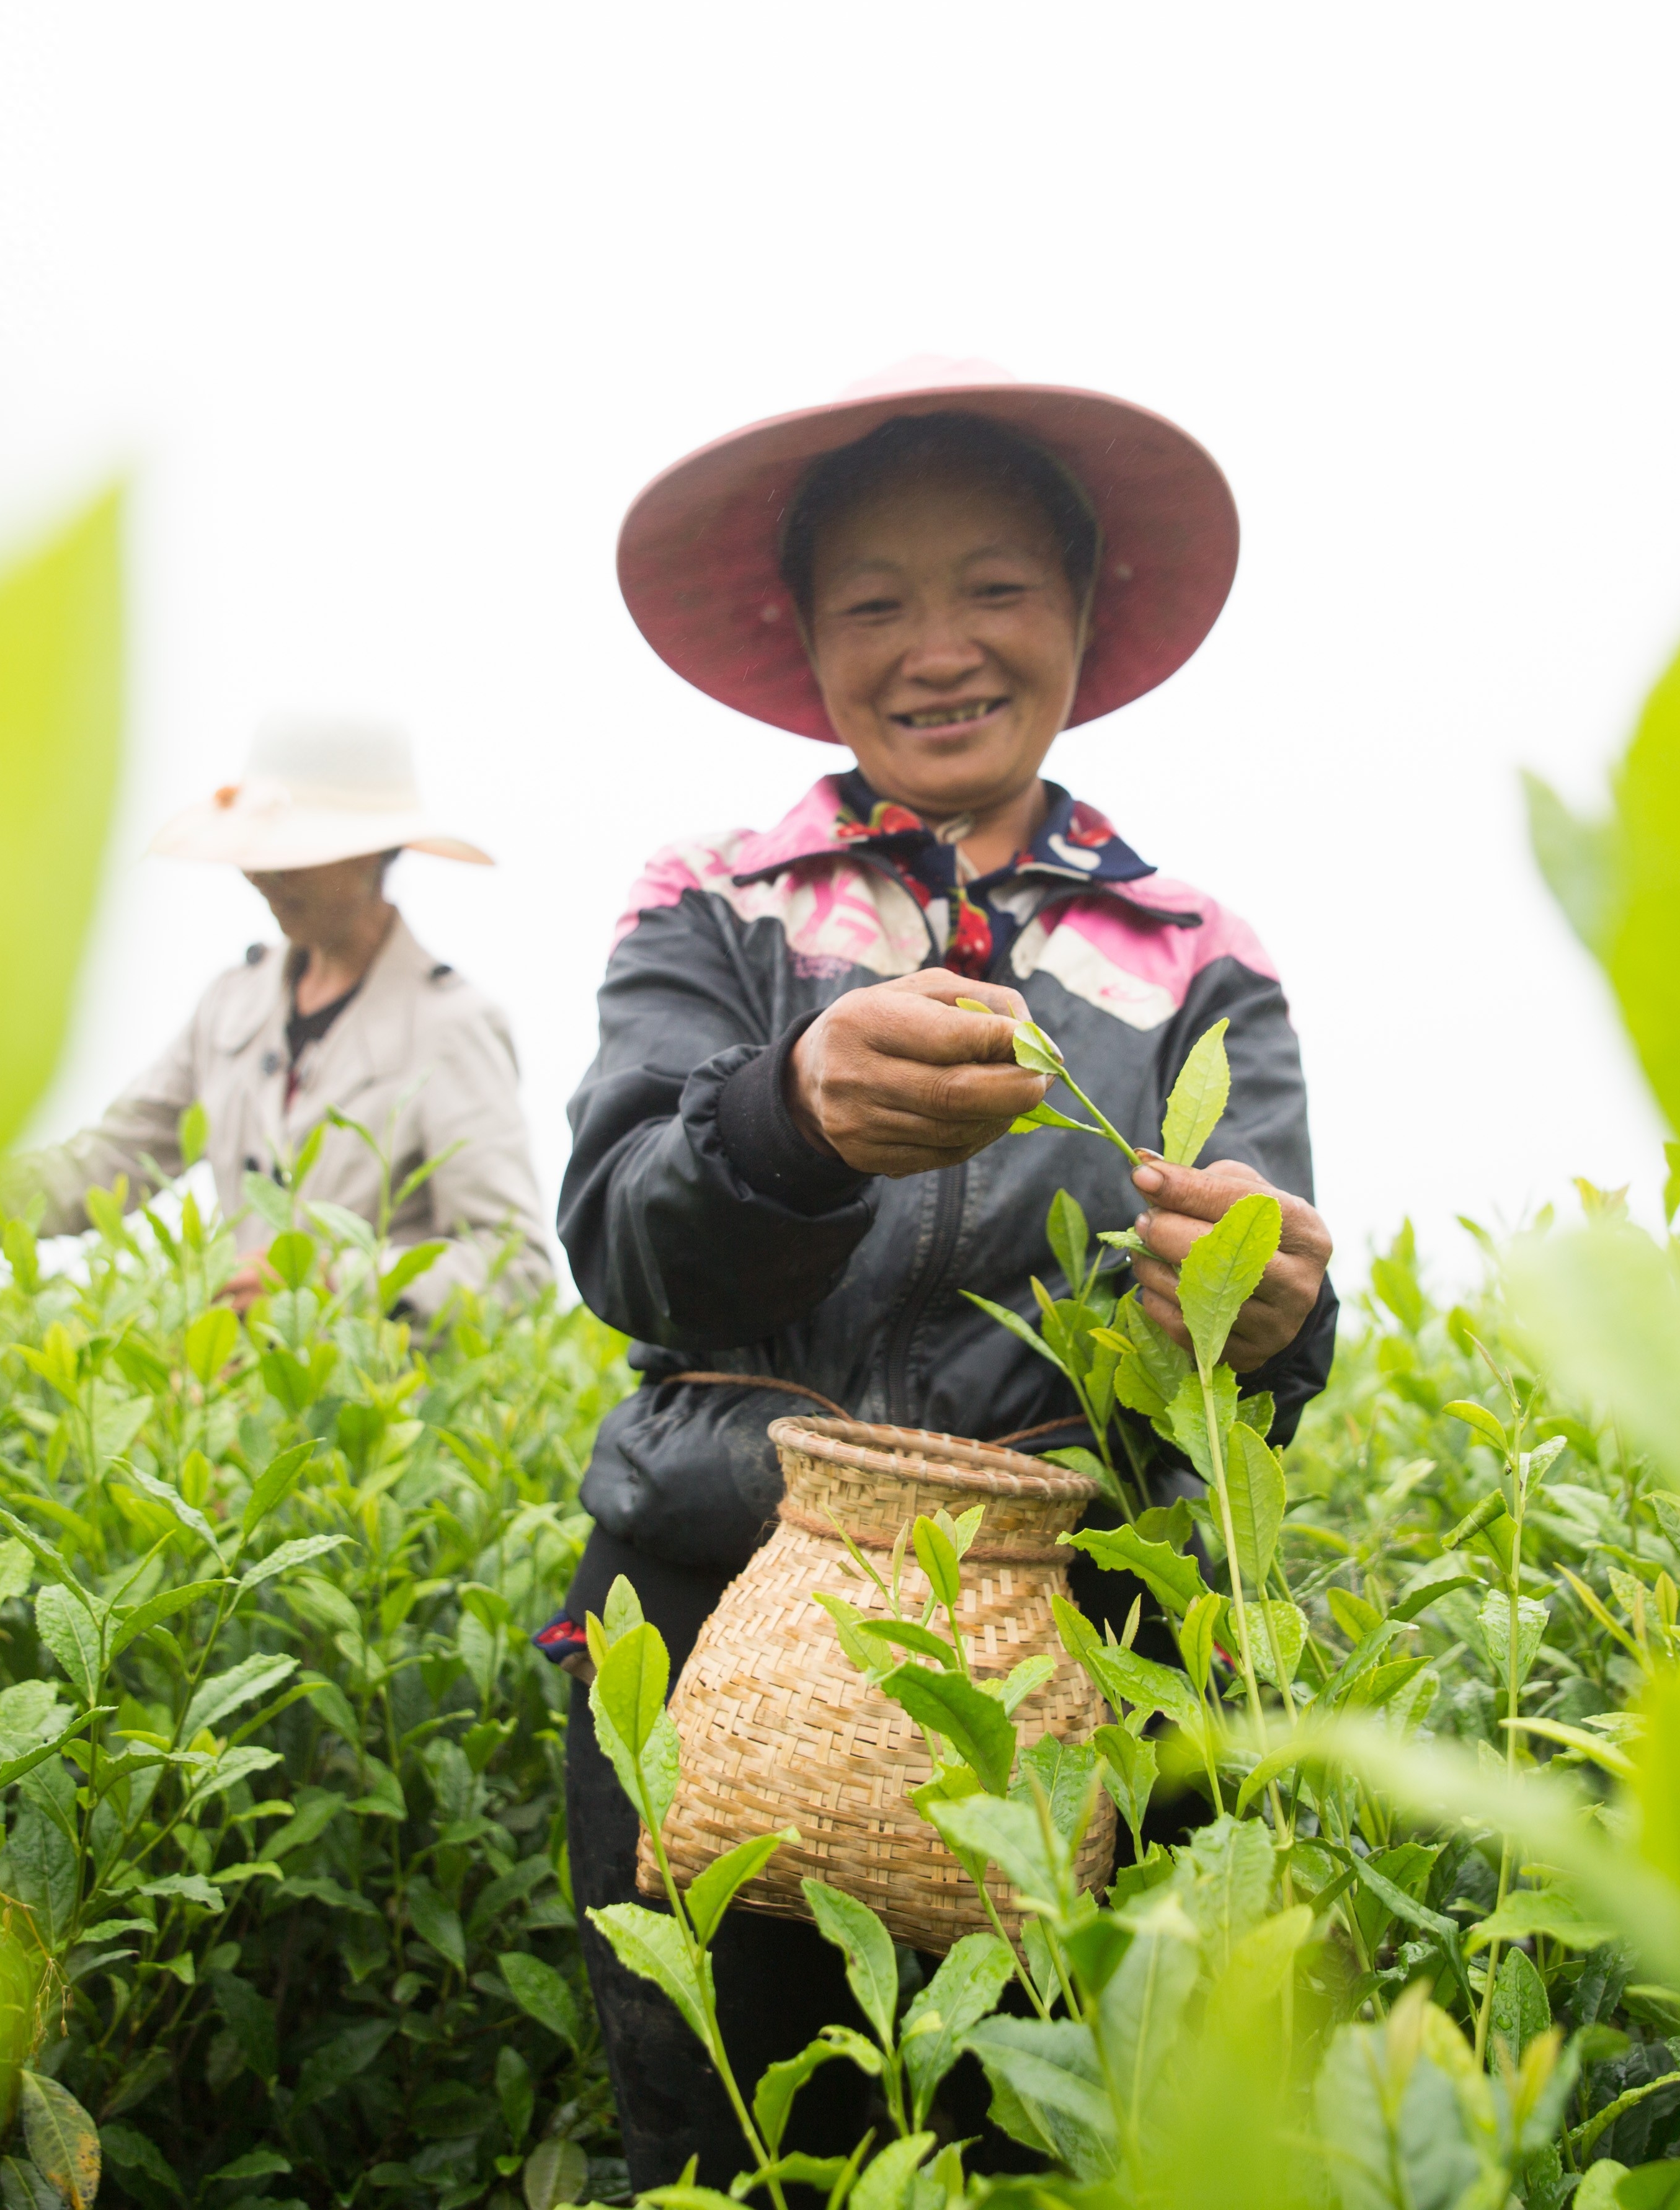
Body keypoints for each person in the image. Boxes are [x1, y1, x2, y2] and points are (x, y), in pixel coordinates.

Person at [550, 359, 1338, 2181]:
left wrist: (1259, 1308)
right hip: (711, 1616)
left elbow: (1273, 1358)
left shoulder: (1192, 955)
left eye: (992, 588)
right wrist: (788, 1114)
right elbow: (618, 1236)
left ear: (1079, 611)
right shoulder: (718, 906)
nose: (938, 647)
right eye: (876, 603)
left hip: (1073, 1651)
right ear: (811, 641)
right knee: (725, 2134)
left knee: (1049, 2135)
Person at [15, 715, 551, 1321]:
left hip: (380, 1404)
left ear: (376, 851)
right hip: (236, 1399)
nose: (265, 876)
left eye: (295, 854)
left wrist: (331, 1285)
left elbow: (516, 1265)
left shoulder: (449, 1024)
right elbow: (108, 1166)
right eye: (259, 852)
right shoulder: (230, 1006)